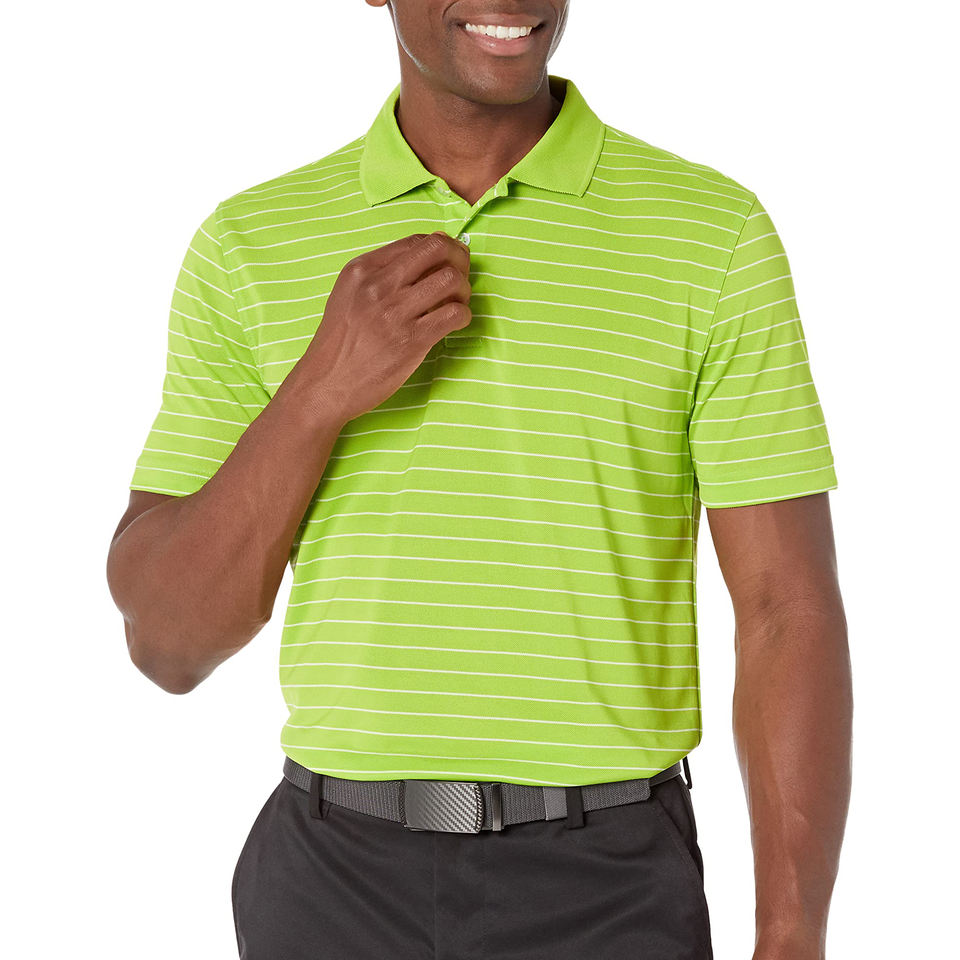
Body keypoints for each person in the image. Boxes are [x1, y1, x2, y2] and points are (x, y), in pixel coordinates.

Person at [106, 2, 853, 958]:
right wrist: (318, 391)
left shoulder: (711, 234)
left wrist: (791, 938)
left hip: (609, 888)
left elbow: (787, 608)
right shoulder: (250, 244)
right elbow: (167, 645)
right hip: (330, 887)